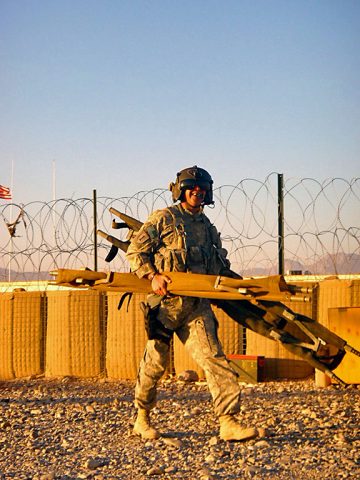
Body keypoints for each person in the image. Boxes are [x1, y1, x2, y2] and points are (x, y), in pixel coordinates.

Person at [126, 166, 258, 442]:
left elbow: (219, 266)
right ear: (181, 191)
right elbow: (136, 251)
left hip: (196, 307)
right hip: (164, 306)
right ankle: (142, 417)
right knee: (156, 363)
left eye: (202, 189)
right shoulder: (164, 219)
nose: (198, 193)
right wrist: (152, 276)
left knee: (215, 360)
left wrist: (245, 287)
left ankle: (228, 421)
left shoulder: (208, 228)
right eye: (192, 189)